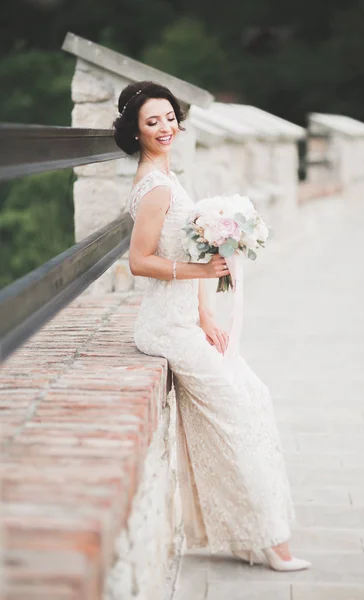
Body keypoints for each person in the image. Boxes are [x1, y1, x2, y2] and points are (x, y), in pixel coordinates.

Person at [113, 80, 311, 571]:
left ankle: (253, 534)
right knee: (238, 414)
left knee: (254, 397)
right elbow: (140, 261)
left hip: (186, 319)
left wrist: (206, 311)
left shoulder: (169, 174)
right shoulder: (156, 187)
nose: (164, 127)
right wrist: (202, 274)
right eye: (151, 121)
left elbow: (189, 245)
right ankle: (269, 542)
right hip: (164, 326)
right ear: (136, 132)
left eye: (169, 117)